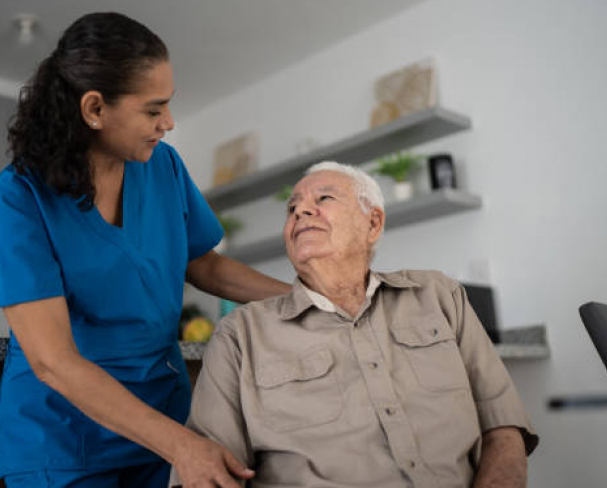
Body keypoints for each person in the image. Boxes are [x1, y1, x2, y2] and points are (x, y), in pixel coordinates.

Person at [0, 12, 291, 488]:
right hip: (65, 444)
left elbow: (203, 263)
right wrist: (183, 446)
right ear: (94, 109)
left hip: (165, 418)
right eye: (152, 109)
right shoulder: (15, 201)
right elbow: (52, 360)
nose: (168, 122)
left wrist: (304, 302)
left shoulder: (161, 166)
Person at [181, 161, 539, 488]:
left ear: (373, 223)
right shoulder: (241, 334)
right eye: (292, 208)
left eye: (324, 198)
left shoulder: (439, 295)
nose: (301, 210)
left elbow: (504, 427)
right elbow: (207, 473)